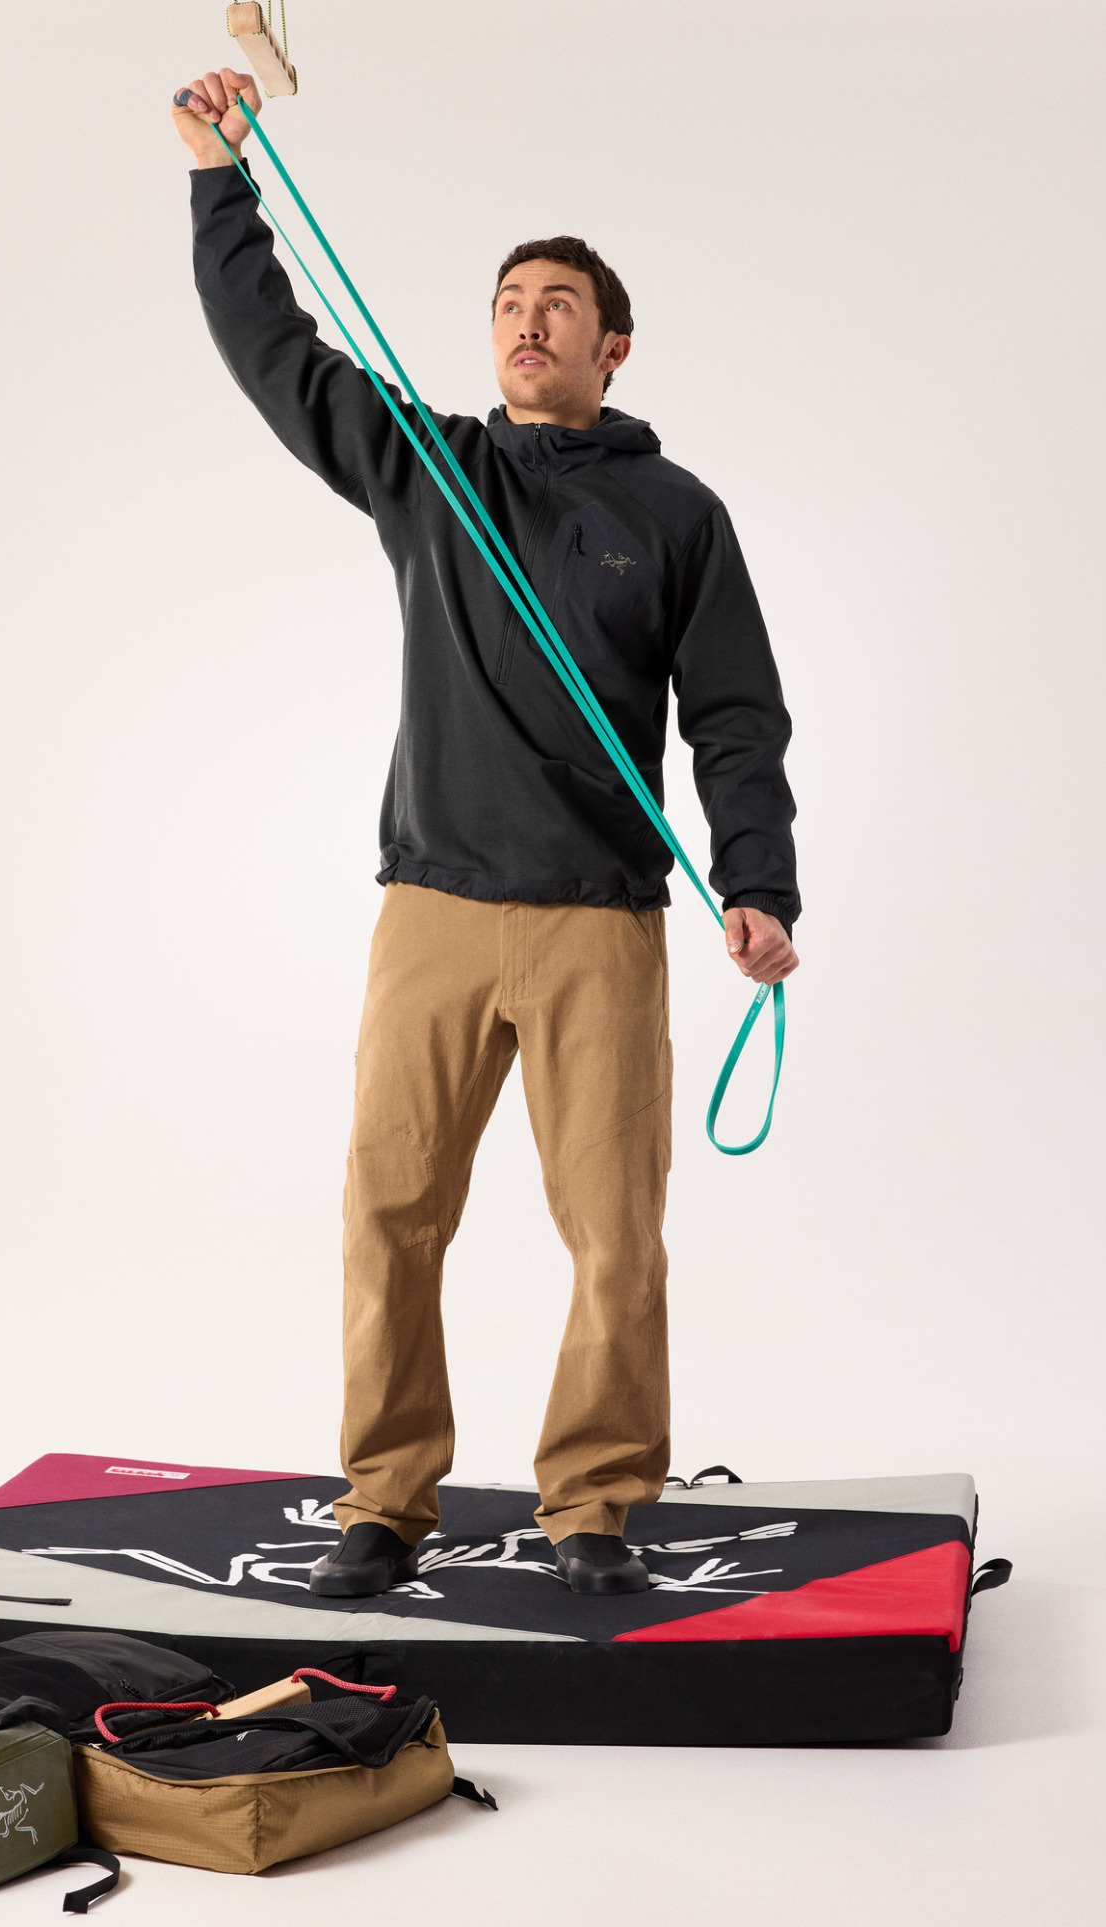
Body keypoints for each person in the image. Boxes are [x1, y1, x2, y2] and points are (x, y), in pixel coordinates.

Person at [172, 68, 800, 1598]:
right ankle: (386, 1501)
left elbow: (733, 715)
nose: (527, 322)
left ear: (611, 344)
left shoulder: (678, 514)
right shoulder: (427, 470)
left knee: (615, 1236)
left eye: (558, 305)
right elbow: (274, 351)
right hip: (433, 909)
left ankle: (592, 1508)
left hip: (598, 918)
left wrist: (759, 880)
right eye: (509, 302)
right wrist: (216, 180)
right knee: (388, 1215)